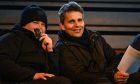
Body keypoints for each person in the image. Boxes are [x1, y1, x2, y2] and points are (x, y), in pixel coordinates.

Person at [0, 5, 71, 84]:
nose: (40, 27)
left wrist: (50, 51)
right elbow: (3, 63)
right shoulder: (11, 38)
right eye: (35, 23)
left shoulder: (43, 42)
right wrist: (32, 75)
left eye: (43, 24)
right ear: (24, 24)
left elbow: (53, 74)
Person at [55, 1, 122, 84]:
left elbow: (114, 58)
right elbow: (80, 76)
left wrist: (115, 73)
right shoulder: (61, 47)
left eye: (79, 20)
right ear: (62, 26)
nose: (77, 25)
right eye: (71, 21)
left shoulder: (95, 37)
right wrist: (111, 75)